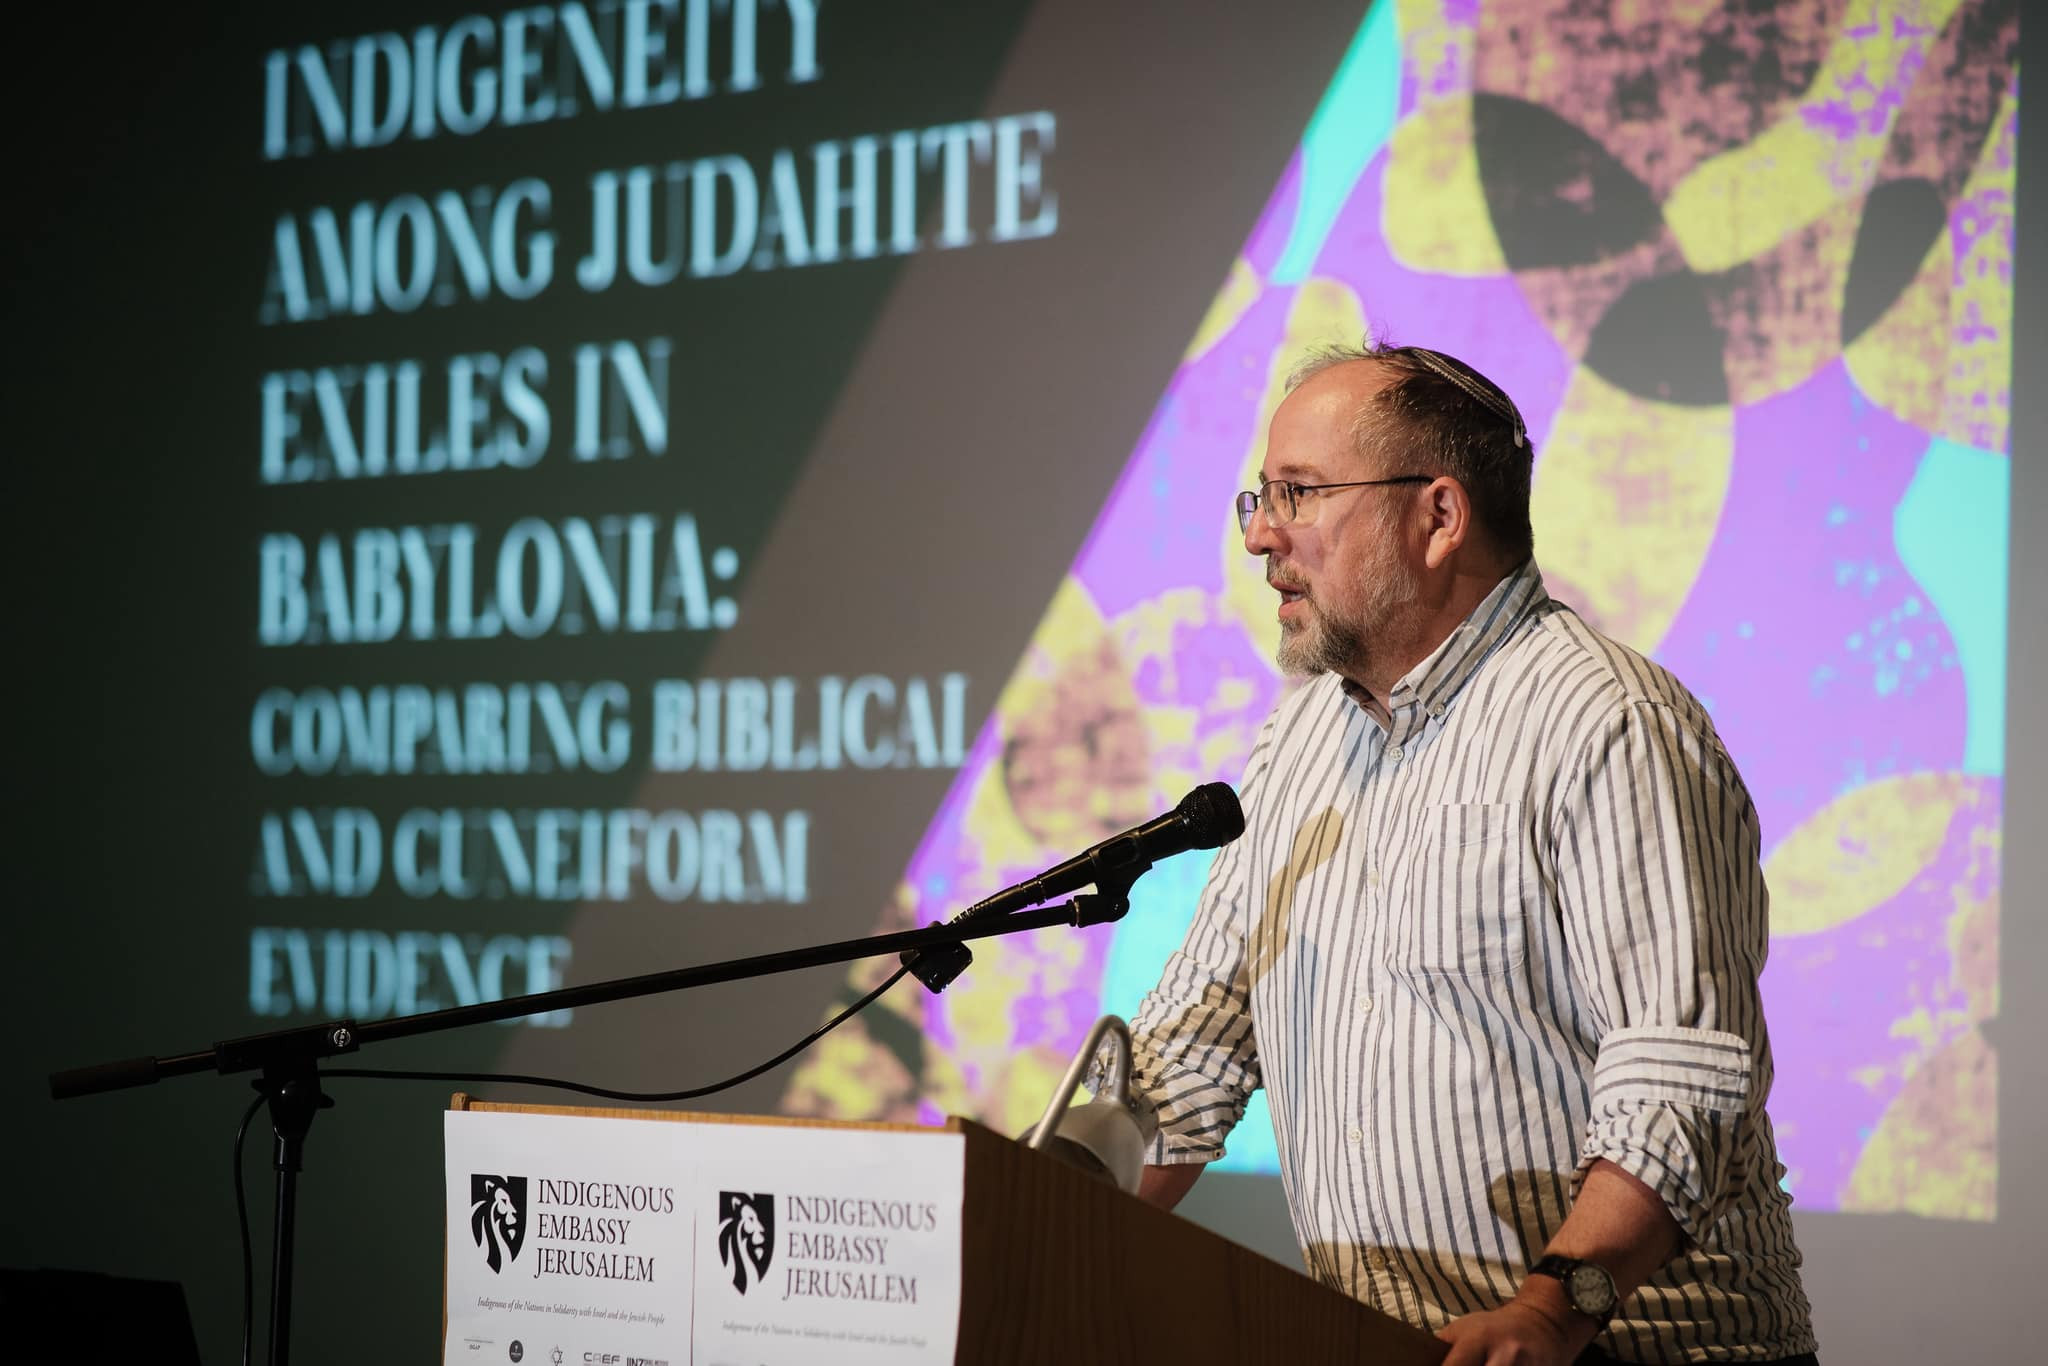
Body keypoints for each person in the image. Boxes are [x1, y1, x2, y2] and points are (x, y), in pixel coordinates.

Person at [1127, 342, 1818, 1365]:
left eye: (1299, 493)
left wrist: (1552, 1308)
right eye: (1259, 498)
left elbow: (1681, 1079)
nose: (1262, 533)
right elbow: (1194, 1050)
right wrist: (1038, 1201)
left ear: (1439, 516)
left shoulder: (1606, 723)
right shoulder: (1299, 738)